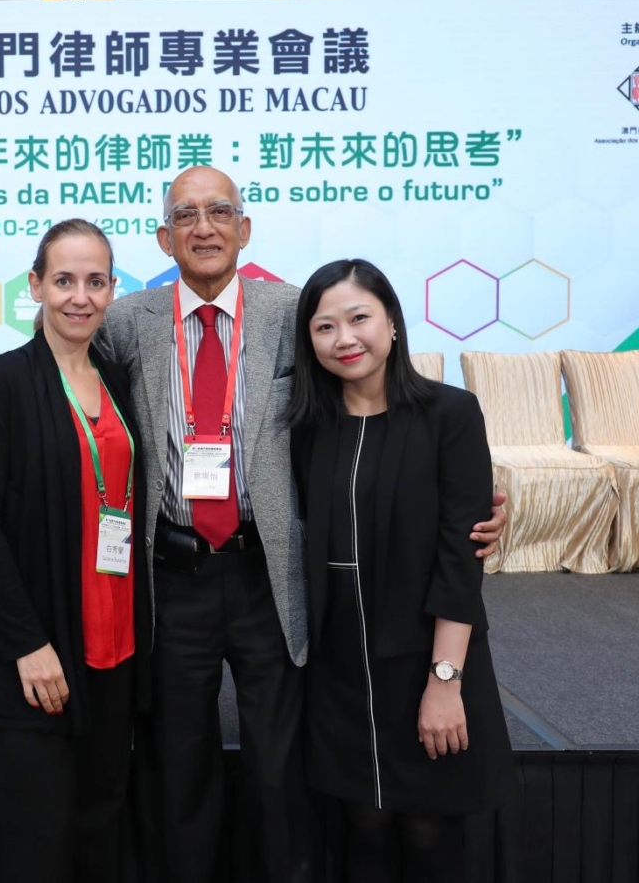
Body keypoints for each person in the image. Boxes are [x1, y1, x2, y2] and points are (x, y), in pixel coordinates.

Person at [96, 165, 506, 883]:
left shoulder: (298, 311)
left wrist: (482, 497)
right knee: (178, 763)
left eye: (220, 211)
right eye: (185, 216)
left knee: (281, 768)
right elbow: (70, 395)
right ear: (164, 237)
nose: (204, 227)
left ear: (245, 228)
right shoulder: (128, 321)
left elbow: (380, 406)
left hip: (271, 574)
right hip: (174, 574)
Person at [290, 259, 516, 882]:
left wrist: (445, 680)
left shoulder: (451, 415)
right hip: (338, 670)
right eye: (324, 326)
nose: (345, 339)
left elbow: (458, 559)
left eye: (359, 318)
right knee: (361, 828)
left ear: (391, 322)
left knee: (427, 830)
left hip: (423, 661)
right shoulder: (307, 428)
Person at [0, 219, 152, 883]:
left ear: (112, 289)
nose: (80, 296)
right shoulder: (2, 384)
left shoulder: (121, 379)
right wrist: (27, 643)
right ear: (34, 286)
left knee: (100, 825)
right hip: (39, 652)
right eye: (63, 280)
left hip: (116, 646)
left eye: (95, 281)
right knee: (34, 842)